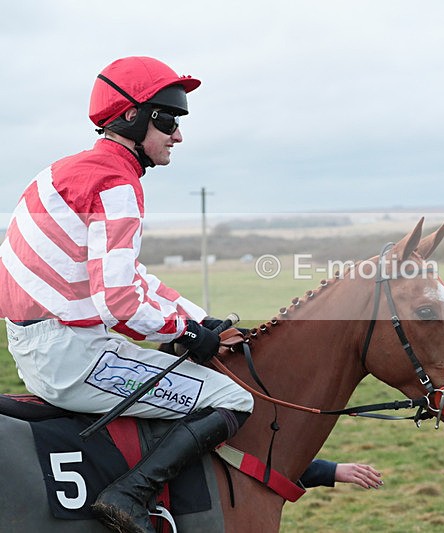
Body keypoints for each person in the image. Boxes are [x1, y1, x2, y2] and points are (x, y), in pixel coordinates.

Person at [0, 56, 256, 533]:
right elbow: (119, 303)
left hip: (44, 345)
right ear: (132, 118)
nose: (178, 135)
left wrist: (197, 318)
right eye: (169, 120)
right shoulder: (116, 183)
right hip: (74, 356)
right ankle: (129, 495)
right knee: (233, 398)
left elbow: (131, 277)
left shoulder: (67, 170)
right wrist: (185, 333)